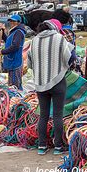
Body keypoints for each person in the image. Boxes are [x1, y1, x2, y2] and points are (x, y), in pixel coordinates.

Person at [27, 19, 75, 155]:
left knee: (43, 115)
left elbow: (30, 64)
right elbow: (70, 57)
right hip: (58, 81)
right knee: (58, 115)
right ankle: (58, 146)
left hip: (40, 83)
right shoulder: (59, 38)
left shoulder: (34, 41)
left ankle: (42, 146)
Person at [0, 15, 26, 90]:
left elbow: (15, 46)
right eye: (11, 21)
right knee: (11, 83)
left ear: (18, 22)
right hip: (11, 60)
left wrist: (2, 52)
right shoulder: (13, 31)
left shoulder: (19, 32)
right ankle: (13, 98)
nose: (12, 23)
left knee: (15, 84)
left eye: (14, 21)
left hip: (15, 60)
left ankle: (17, 98)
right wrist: (3, 31)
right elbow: (8, 40)